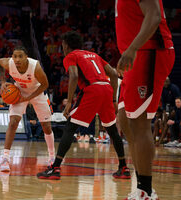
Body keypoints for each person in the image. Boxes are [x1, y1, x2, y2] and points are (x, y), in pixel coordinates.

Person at [37, 31, 130, 180]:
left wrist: (68, 102)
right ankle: (124, 167)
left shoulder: (71, 56)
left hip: (92, 90)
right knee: (112, 131)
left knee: (70, 127)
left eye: (62, 45)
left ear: (66, 45)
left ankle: (55, 168)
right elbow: (113, 74)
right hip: (106, 89)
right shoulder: (94, 55)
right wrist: (113, 99)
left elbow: (73, 75)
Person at [115, 0, 175, 199]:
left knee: (139, 123)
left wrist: (132, 49)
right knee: (124, 119)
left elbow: (154, 16)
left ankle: (146, 191)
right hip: (136, 53)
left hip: (148, 51)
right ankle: (141, 186)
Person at [0, 46, 55, 172]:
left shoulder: (35, 66)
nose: (17, 59)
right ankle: (5, 158)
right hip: (19, 91)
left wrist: (29, 98)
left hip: (38, 92)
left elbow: (45, 84)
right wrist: (3, 82)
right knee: (13, 123)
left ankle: (52, 157)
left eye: (20, 56)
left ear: (26, 57)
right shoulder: (9, 63)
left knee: (46, 126)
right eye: (15, 56)